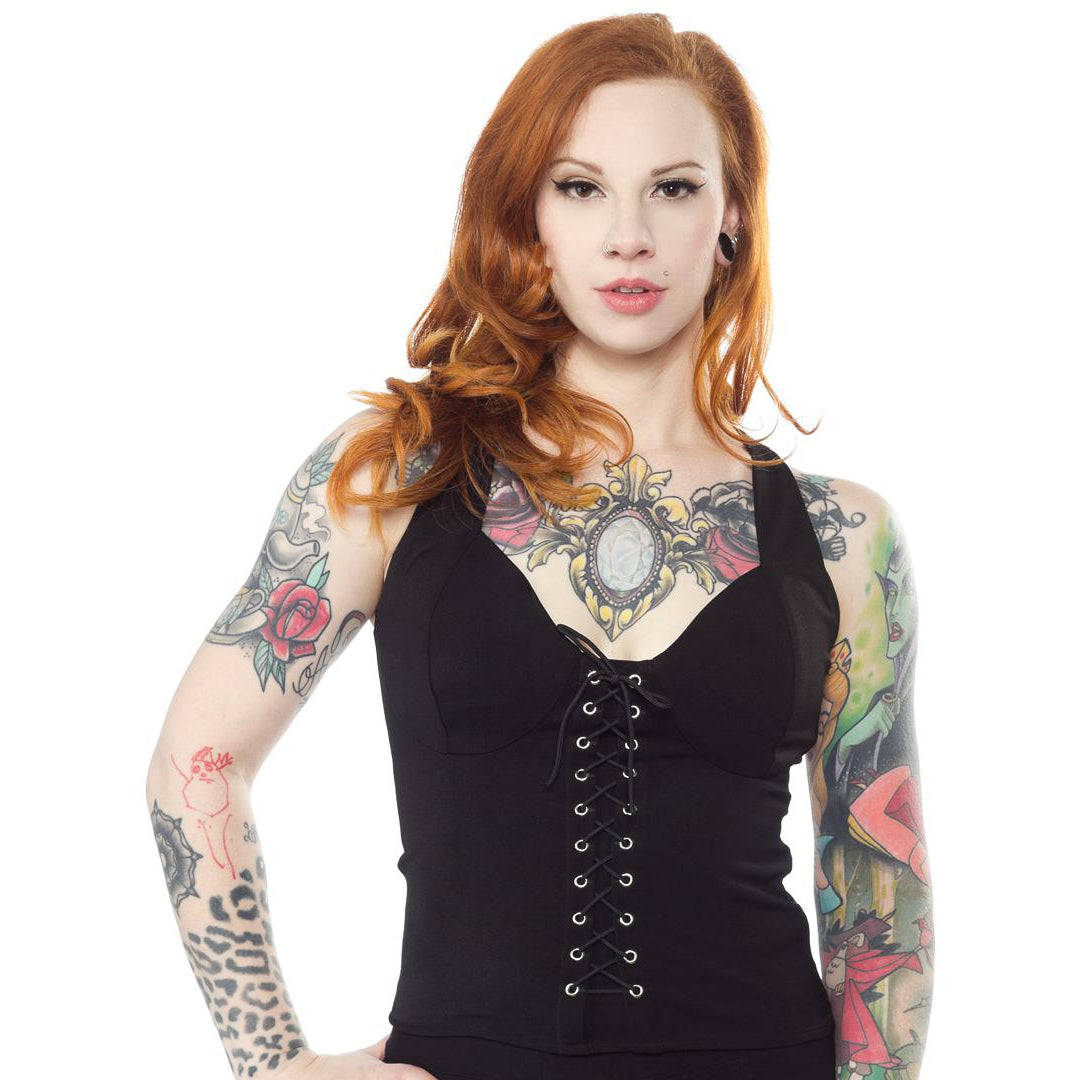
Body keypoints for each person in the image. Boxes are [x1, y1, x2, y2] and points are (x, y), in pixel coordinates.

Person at [145, 13, 934, 1080]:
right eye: (580, 187)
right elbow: (196, 764)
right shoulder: (396, 474)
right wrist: (272, 1061)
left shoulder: (844, 537)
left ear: (732, 214)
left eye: (673, 187)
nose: (628, 236)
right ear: (529, 215)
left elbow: (879, 893)